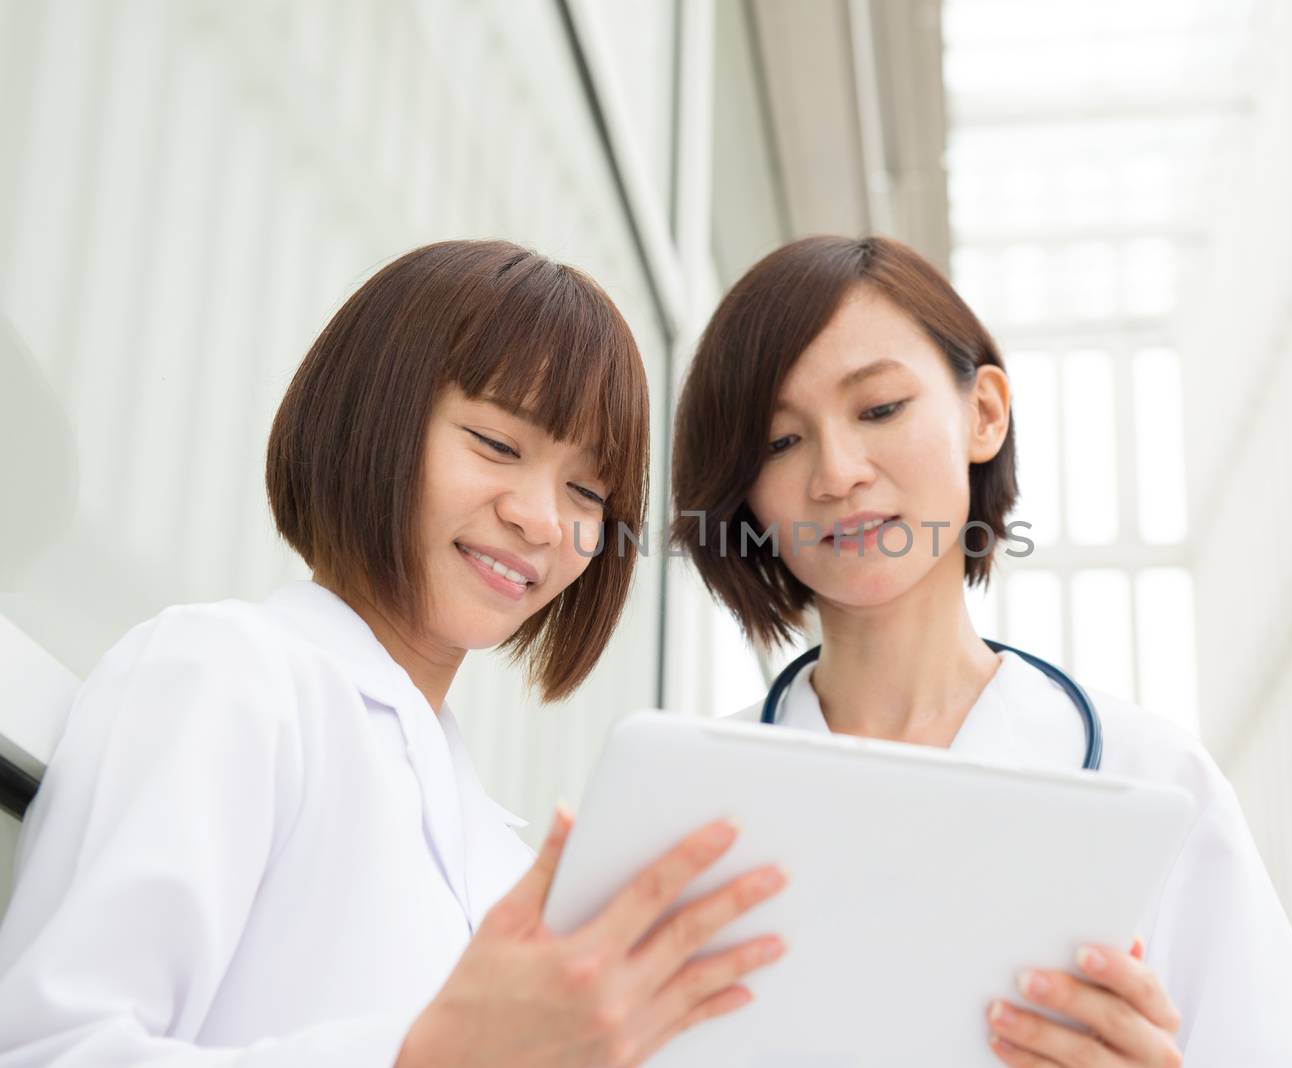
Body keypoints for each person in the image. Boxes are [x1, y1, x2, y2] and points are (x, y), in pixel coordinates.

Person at [0, 240, 787, 1068]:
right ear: (371, 415)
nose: (542, 519)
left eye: (587, 492)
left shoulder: (494, 848)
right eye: (495, 443)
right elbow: (49, 1049)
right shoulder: (227, 676)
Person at [670, 234, 1292, 1066]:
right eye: (781, 443)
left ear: (984, 413)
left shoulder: (1151, 781)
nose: (838, 472)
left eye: (879, 408)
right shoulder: (693, 814)